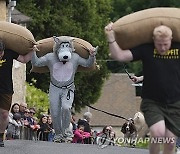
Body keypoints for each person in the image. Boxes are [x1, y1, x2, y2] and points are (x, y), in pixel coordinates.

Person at [105, 23, 180, 154]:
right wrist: (111, 38)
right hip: (152, 101)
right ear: (153, 40)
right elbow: (120, 55)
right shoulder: (146, 49)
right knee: (157, 133)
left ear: (172, 39)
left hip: (174, 102)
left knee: (170, 141)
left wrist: (140, 78)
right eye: (159, 44)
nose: (162, 48)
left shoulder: (178, 49)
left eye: (166, 44)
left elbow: (164, 73)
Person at [0, 39, 33, 147]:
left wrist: (33, 50)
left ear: (3, 50)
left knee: (4, 114)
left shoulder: (9, 53)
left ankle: (0, 137)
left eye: (0, 53)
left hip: (6, 89)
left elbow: (23, 59)